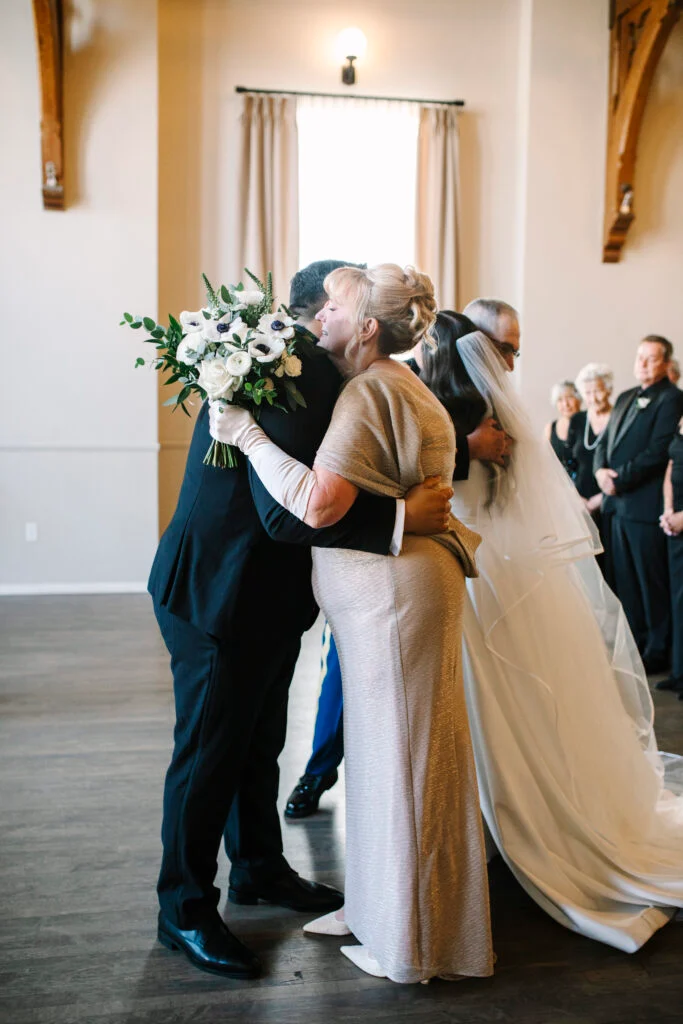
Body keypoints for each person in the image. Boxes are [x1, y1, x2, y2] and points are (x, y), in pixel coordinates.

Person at [148, 260, 452, 979]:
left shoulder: (308, 367)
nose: (342, 314)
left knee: (257, 742)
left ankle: (258, 867)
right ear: (322, 310)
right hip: (220, 592)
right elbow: (287, 518)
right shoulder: (291, 372)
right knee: (208, 755)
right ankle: (183, 908)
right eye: (345, 297)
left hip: (265, 596)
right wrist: (403, 518)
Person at [209, 264, 494, 984]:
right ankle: (372, 903)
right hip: (387, 601)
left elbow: (316, 503)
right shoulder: (391, 383)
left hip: (393, 603)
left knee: (401, 768)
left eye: (332, 305)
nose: (317, 315)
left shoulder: (369, 391)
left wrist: (244, 434)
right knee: (379, 762)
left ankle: (407, 943)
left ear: (366, 327)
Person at [430, 313, 683, 952]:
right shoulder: (489, 413)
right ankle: (491, 822)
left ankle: (516, 824)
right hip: (500, 567)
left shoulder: (465, 415)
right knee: (512, 704)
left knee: (502, 703)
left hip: (484, 570)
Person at [285, 311, 511, 821]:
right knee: (340, 676)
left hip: (424, 559)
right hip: (370, 556)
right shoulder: (378, 381)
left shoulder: (460, 402)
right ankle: (319, 772)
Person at [594, 335, 683, 674]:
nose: (643, 363)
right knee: (625, 584)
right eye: (639, 356)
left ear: (665, 363)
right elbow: (604, 442)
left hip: (644, 509)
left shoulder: (673, 399)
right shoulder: (626, 397)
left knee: (651, 585)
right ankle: (635, 646)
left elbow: (659, 451)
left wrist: (619, 479)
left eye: (651, 358)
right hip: (617, 508)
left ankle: (658, 650)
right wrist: (600, 470)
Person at [567, 363, 614, 573]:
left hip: (610, 499)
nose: (593, 398)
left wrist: (599, 500)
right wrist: (576, 498)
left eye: (598, 391)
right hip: (580, 503)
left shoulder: (618, 418)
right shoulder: (577, 420)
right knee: (586, 567)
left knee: (610, 564)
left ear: (609, 389)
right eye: (587, 392)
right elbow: (569, 463)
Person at [658, 416, 683, 696]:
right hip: (674, 519)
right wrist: (668, 509)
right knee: (678, 599)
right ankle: (679, 671)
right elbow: (671, 465)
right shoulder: (680, 419)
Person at [544, 381, 581, 474]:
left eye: (570, 398)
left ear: (579, 399)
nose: (565, 404)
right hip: (558, 485)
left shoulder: (589, 423)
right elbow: (544, 461)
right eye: (560, 400)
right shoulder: (550, 428)